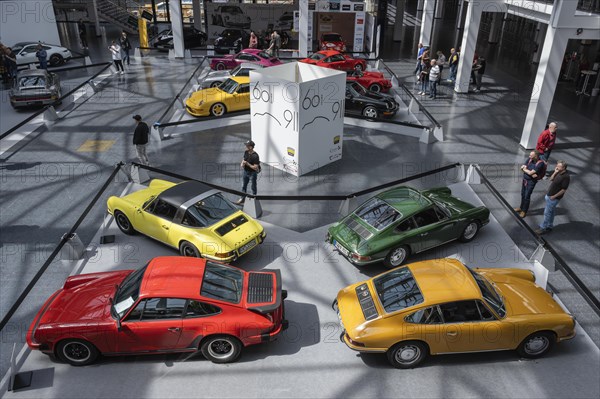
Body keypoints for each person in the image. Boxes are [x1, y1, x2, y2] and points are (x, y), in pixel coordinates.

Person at [536, 160, 570, 235]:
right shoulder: (558, 172)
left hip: (553, 198)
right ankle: (550, 226)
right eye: (557, 165)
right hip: (549, 196)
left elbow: (563, 190)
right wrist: (555, 172)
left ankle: (543, 228)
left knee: (547, 213)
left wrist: (554, 196)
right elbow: (551, 179)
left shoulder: (566, 177)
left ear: (564, 167)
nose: (557, 167)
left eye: (559, 166)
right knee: (551, 212)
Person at [514, 150, 545, 218]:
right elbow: (522, 168)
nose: (529, 156)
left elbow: (530, 173)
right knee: (523, 194)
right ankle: (521, 207)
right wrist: (528, 171)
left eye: (531, 155)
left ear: (536, 156)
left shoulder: (540, 163)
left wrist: (526, 170)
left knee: (527, 196)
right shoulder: (530, 159)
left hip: (531, 182)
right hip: (525, 180)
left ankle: (524, 211)